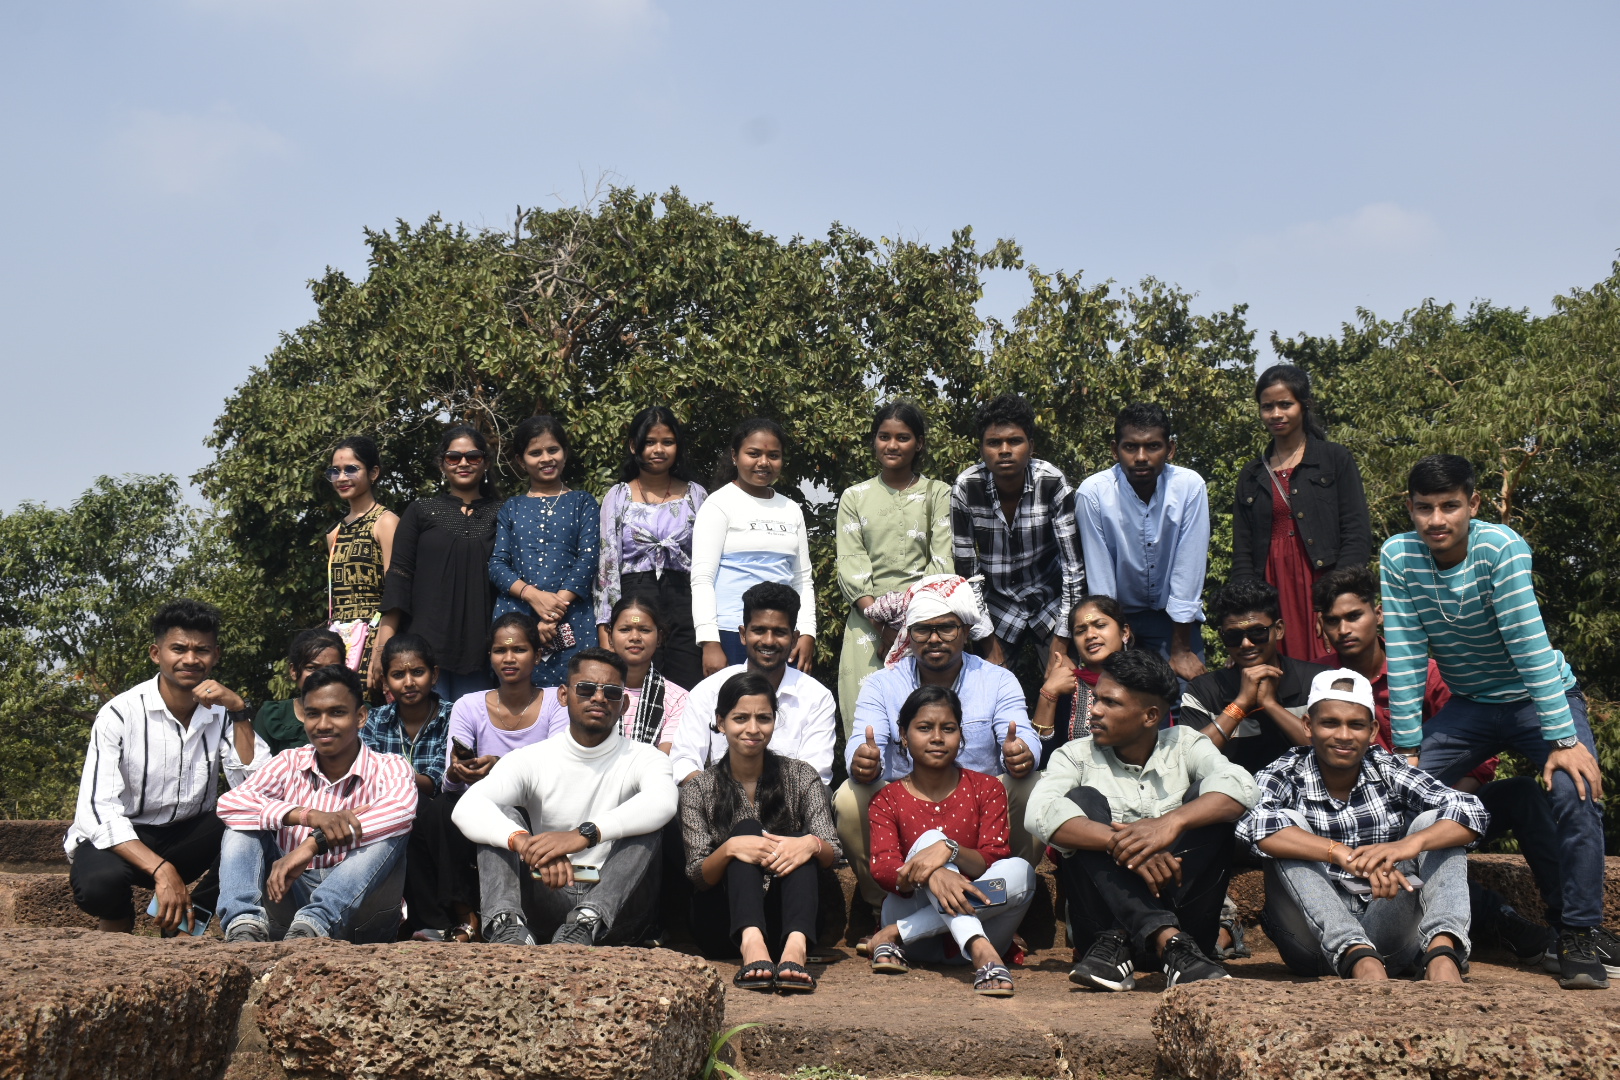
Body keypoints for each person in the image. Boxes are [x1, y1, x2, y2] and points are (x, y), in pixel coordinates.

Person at [1382, 453, 1615, 989]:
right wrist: (1409, 750)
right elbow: (1407, 652)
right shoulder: (1398, 555)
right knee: (1395, 795)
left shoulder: (1500, 547)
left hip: (1540, 697)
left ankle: (1579, 931)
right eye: (1424, 508)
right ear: (1410, 508)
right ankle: (1421, 924)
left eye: (1449, 506)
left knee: (1576, 790)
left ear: (1474, 504)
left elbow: (1529, 644)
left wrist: (1563, 738)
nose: (1436, 519)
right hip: (1470, 705)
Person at [1312, 564, 1561, 966]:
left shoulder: (1424, 673)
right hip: (1363, 821)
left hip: (1438, 804)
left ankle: (1572, 925)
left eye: (1354, 616)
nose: (1344, 629)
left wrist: (1439, 809)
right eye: (1333, 621)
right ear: (1321, 626)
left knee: (1522, 793)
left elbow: (1481, 760)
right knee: (1426, 855)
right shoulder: (1322, 682)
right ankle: (1503, 922)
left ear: (1378, 614)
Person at [1237, 669, 1486, 984]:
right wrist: (1340, 854)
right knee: (1286, 825)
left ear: (1372, 731)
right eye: (1330, 723)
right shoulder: (1284, 772)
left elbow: (1470, 810)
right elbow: (1254, 825)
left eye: (1355, 725)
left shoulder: (1386, 767)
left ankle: (1442, 954)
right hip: (1309, 941)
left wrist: (1405, 847)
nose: (1343, 735)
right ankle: (1356, 954)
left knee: (1436, 823)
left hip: (1387, 932)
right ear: (1308, 726)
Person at [1029, 649, 1258, 991]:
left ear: (1150, 716)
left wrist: (1170, 824)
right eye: (1096, 699)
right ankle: (1166, 938)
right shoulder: (1075, 756)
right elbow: (1039, 811)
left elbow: (1242, 786)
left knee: (1210, 800)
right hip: (1103, 937)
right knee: (1081, 801)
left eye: (1110, 702)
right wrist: (1125, 845)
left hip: (1188, 925)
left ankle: (1165, 938)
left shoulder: (1185, 744)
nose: (1095, 710)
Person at [452, 647, 679, 946]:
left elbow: (664, 801)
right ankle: (507, 926)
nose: (599, 698)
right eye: (586, 689)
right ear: (563, 695)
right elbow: (467, 806)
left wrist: (583, 835)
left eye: (611, 692)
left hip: (617, 906)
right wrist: (525, 843)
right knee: (500, 814)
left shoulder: (645, 757)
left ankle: (587, 921)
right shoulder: (530, 758)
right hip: (547, 890)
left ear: (623, 704)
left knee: (648, 820)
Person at [836, 575, 1033, 912]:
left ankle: (999, 905)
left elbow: (1020, 734)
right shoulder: (882, 684)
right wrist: (863, 761)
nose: (934, 639)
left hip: (981, 807)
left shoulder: (998, 680)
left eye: (946, 628)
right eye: (922, 630)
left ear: (966, 631)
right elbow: (864, 742)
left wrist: (1022, 753)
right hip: (903, 808)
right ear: (908, 634)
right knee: (849, 796)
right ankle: (882, 904)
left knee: (1031, 785)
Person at [66, 600, 252, 934]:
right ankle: (119, 923)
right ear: (156, 653)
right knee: (99, 884)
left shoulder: (223, 714)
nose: (190, 659)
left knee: (257, 822)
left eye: (202, 650)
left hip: (188, 837)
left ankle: (184, 925)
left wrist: (239, 710)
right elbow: (97, 812)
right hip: (126, 839)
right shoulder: (119, 714)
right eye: (178, 649)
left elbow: (257, 787)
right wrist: (162, 870)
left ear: (216, 656)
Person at [216, 665, 417, 942]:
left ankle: (316, 921)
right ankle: (243, 925)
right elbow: (230, 804)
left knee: (390, 830)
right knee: (242, 823)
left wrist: (312, 844)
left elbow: (401, 811)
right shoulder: (289, 762)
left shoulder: (390, 766)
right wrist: (307, 816)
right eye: (313, 714)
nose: (323, 725)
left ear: (360, 717)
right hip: (290, 908)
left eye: (337, 713)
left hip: (365, 917)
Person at [864, 686, 1036, 997]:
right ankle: (981, 951)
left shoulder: (987, 788)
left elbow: (993, 860)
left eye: (948, 728)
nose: (937, 738)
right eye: (924, 728)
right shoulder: (887, 799)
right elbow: (886, 871)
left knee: (1021, 871)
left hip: (944, 927)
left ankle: (893, 934)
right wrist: (934, 872)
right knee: (931, 838)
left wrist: (950, 850)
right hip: (916, 930)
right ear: (903, 735)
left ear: (961, 734)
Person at [680, 672, 841, 992]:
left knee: (799, 842)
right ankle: (752, 944)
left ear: (774, 721)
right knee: (746, 831)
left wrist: (810, 844)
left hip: (791, 921)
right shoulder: (699, 788)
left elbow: (833, 852)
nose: (753, 729)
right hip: (723, 923)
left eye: (763, 718)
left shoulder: (801, 775)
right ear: (720, 722)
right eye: (740, 718)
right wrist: (730, 849)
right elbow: (698, 875)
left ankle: (795, 952)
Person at [1231, 365, 1371, 661]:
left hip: (1323, 582)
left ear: (1304, 405)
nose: (1276, 414)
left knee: (1331, 667)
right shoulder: (1252, 474)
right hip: (1271, 587)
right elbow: (1243, 551)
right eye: (1267, 407)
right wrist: (1247, 617)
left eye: (1285, 404)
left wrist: (1335, 601)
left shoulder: (1334, 459)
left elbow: (1356, 532)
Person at [834, 400, 954, 736]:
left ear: (919, 443)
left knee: (928, 722)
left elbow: (942, 562)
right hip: (867, 625)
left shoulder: (939, 494)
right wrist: (882, 621)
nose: (892, 445)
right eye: (884, 436)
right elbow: (851, 563)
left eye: (903, 437)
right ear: (874, 441)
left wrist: (909, 625)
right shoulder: (854, 497)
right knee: (869, 727)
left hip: (928, 623)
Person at [951, 393, 1084, 677]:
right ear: (981, 448)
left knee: (1065, 681)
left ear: (1031, 446)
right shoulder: (966, 487)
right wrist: (987, 641)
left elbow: (1073, 568)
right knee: (986, 684)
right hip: (996, 603)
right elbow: (967, 574)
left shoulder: (1051, 482)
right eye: (994, 443)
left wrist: (1062, 639)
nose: (1004, 450)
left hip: (1049, 600)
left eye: (1014, 441)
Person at [1075, 403, 1208, 685]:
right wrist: (1112, 644)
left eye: (1153, 446)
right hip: (1119, 619)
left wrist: (1181, 650)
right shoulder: (1093, 493)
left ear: (1170, 449)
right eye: (1131, 447)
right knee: (1119, 697)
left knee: (1187, 698)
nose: (1141, 457)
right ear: (1115, 450)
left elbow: (1189, 569)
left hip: (1175, 622)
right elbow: (1101, 581)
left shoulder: (1189, 487)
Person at [375, 423, 502, 702]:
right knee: (426, 727)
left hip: (482, 652)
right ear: (442, 463)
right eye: (453, 457)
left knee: (473, 729)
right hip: (423, 653)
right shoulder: (421, 511)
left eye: (473, 457)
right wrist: (382, 646)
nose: (463, 463)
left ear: (485, 463)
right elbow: (399, 577)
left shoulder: (503, 513)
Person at [670, 583, 836, 785]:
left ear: (794, 639)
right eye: (759, 630)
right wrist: (723, 795)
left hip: (789, 802)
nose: (768, 641)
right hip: (719, 799)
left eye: (779, 632)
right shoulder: (709, 690)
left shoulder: (817, 697)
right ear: (743, 634)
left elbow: (815, 774)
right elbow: (682, 763)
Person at [690, 417, 816, 677]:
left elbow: (802, 579)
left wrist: (806, 632)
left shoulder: (791, 509)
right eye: (754, 454)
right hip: (732, 633)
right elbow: (702, 579)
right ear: (734, 456)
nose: (764, 462)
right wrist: (709, 641)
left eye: (773, 455)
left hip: (782, 635)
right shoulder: (718, 505)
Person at [360, 634, 464, 941]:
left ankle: (438, 919)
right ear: (385, 681)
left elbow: (436, 781)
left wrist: (393, 774)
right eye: (398, 675)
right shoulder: (375, 720)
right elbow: (365, 773)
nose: (408, 682)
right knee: (402, 811)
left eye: (417, 672)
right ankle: (417, 919)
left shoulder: (452, 715)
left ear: (434, 674)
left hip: (438, 813)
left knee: (415, 806)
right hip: (384, 810)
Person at [595, 406, 708, 690]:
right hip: (634, 599)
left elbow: (707, 561)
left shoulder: (696, 494)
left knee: (687, 687)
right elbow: (607, 565)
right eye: (649, 442)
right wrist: (606, 628)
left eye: (667, 442)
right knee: (636, 689)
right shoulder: (617, 496)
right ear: (634, 446)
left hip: (685, 602)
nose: (659, 449)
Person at [490, 414, 600, 687]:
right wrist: (533, 596)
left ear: (565, 453)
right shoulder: (511, 507)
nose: (546, 459)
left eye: (553, 450)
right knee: (518, 695)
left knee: (575, 693)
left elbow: (588, 558)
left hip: (572, 616)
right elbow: (497, 564)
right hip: (517, 615)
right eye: (535, 453)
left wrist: (553, 611)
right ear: (520, 461)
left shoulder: (582, 502)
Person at [1181, 579, 1331, 775]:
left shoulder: (1319, 681)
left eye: (1257, 633)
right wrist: (1241, 704)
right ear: (1221, 636)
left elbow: (1331, 753)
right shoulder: (1203, 691)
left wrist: (1270, 705)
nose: (1246, 644)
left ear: (1279, 630)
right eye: (1234, 636)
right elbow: (1188, 761)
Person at [323, 435, 398, 688]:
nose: (342, 478)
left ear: (373, 473)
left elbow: (396, 591)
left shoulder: (386, 522)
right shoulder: (334, 533)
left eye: (351, 469)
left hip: (376, 638)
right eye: (335, 471)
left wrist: (381, 648)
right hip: (339, 643)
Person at [1030, 596, 1132, 768]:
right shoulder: (1066, 687)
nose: (1090, 635)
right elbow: (1041, 760)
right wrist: (1048, 693)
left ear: (1125, 632)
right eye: (1080, 631)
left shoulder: (1144, 680)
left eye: (1100, 625)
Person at [222, 628, 347, 757]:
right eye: (312, 668)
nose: (322, 676)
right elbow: (254, 766)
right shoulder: (272, 716)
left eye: (333, 668)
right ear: (293, 671)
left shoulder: (358, 714)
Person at [604, 595, 688, 750]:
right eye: (625, 629)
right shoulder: (592, 691)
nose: (635, 637)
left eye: (644, 630)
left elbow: (665, 757)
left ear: (659, 637)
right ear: (610, 636)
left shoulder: (677, 699)